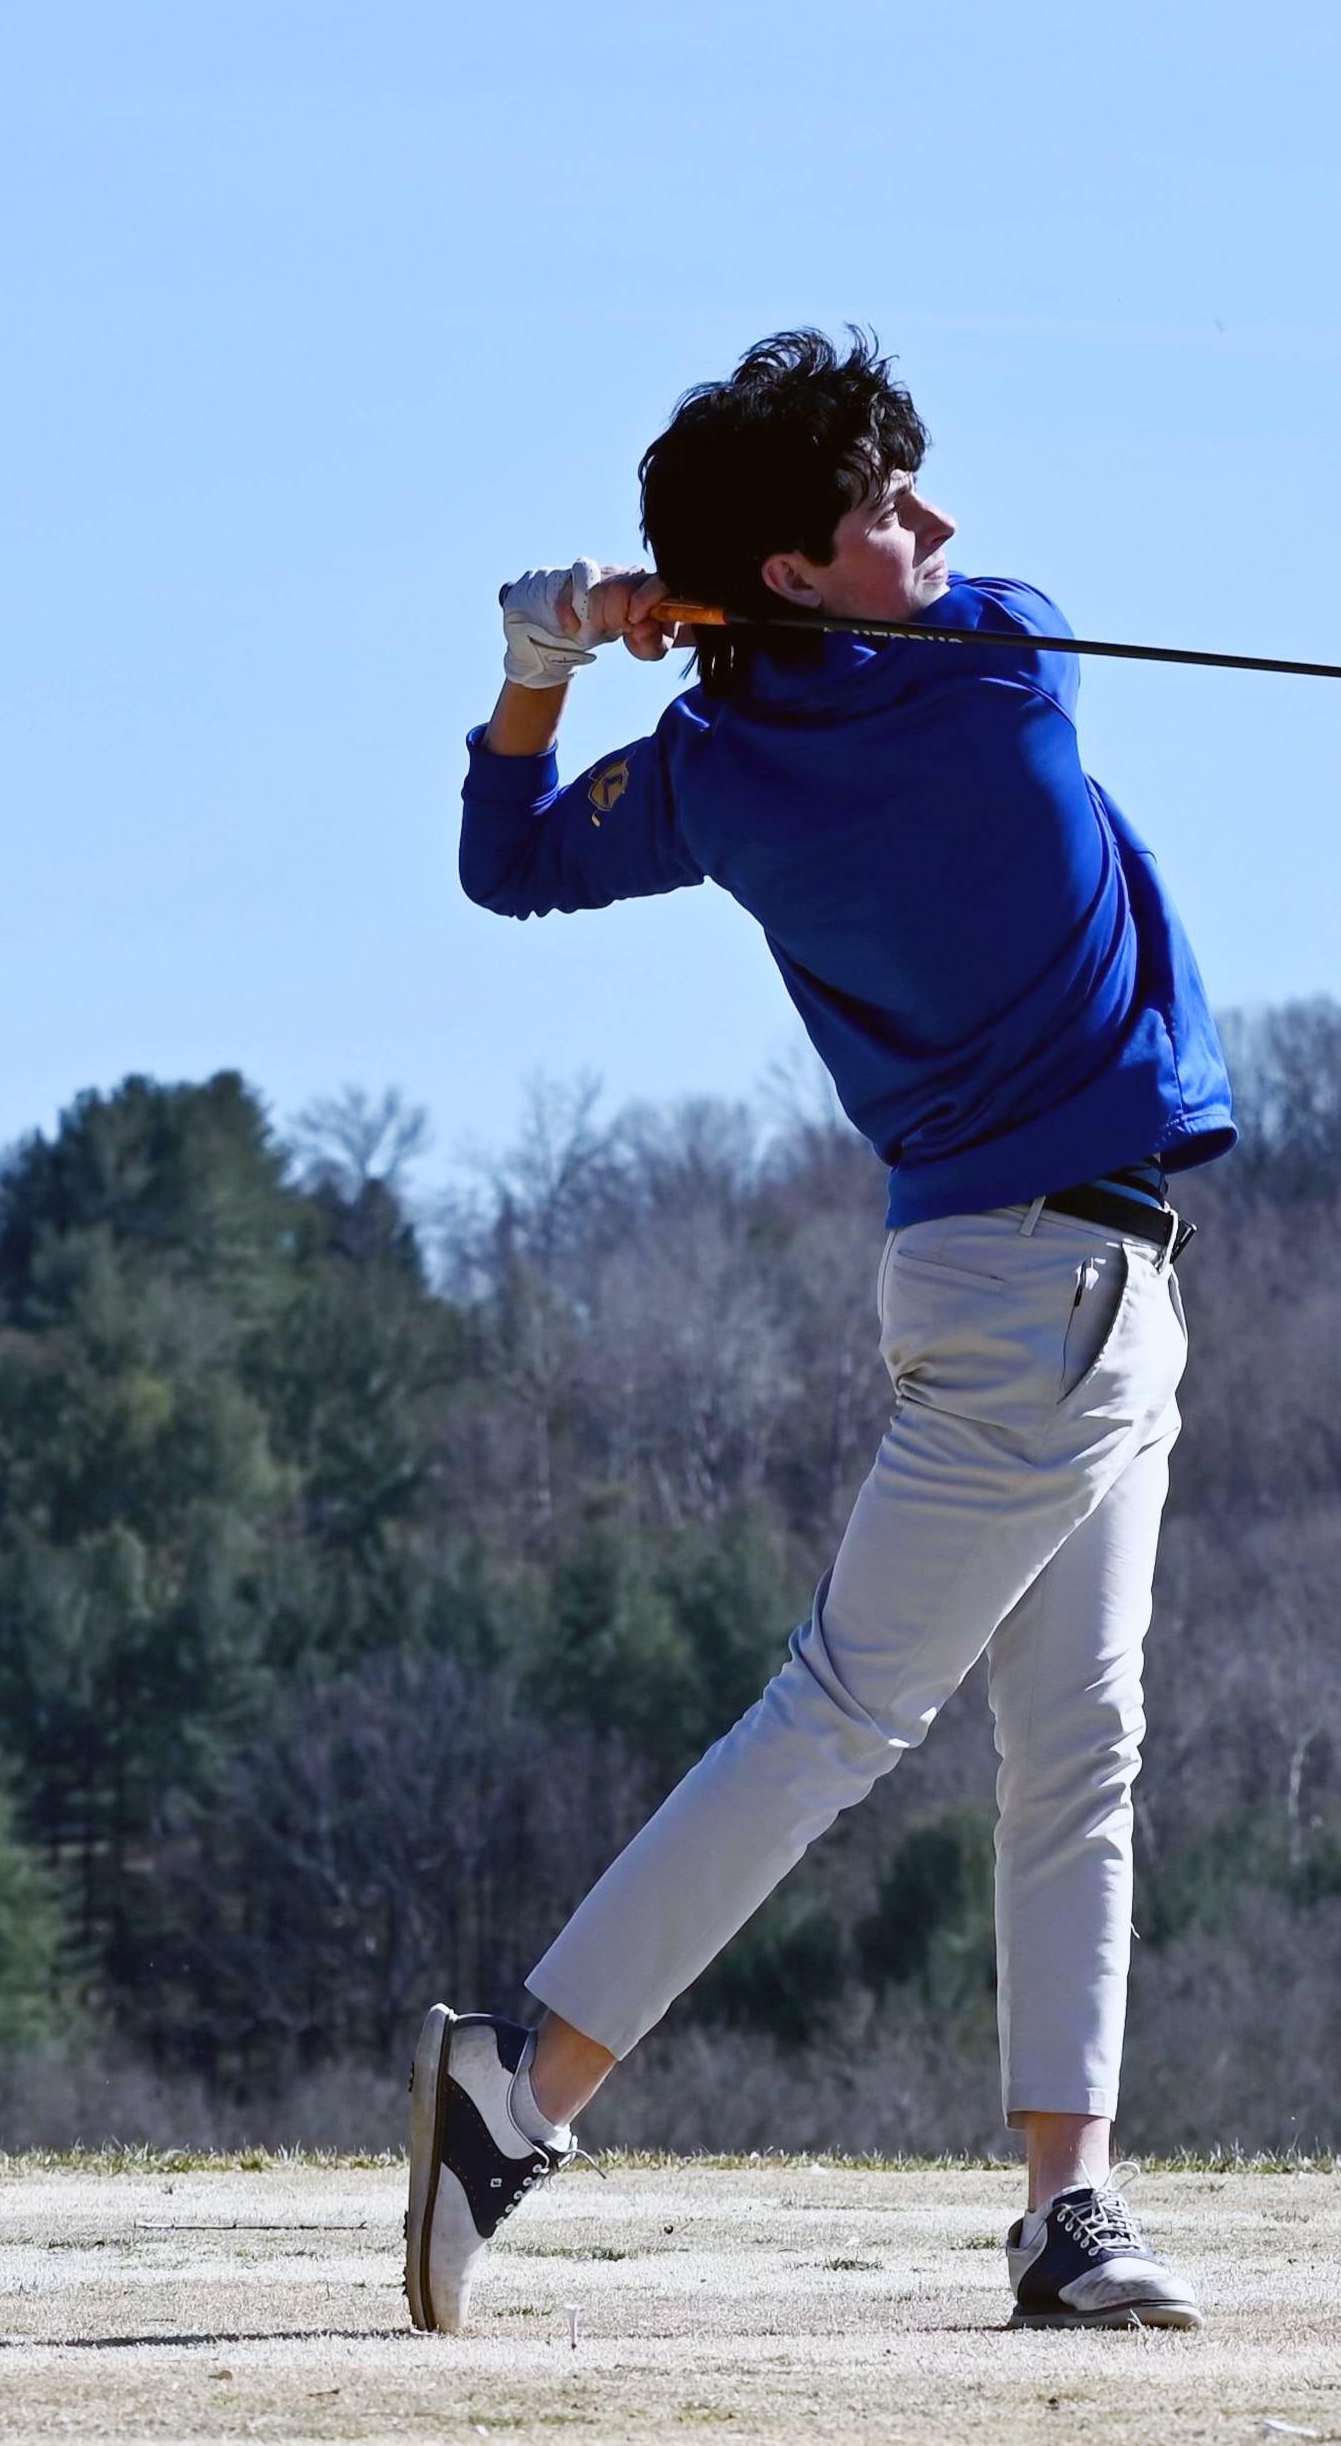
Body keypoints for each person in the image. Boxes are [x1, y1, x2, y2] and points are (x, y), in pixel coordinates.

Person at [413, 328, 1230, 2337]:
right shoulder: (999, 668)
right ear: (792, 571)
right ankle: (517, 2089)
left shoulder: (710, 770)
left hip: (1046, 1281)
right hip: (1047, 1290)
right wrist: (690, 618)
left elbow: (505, 861)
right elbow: (983, 606)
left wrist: (553, 662)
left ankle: (1069, 2209)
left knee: (1080, 1750)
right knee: (845, 1719)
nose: (933, 527)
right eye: (884, 509)